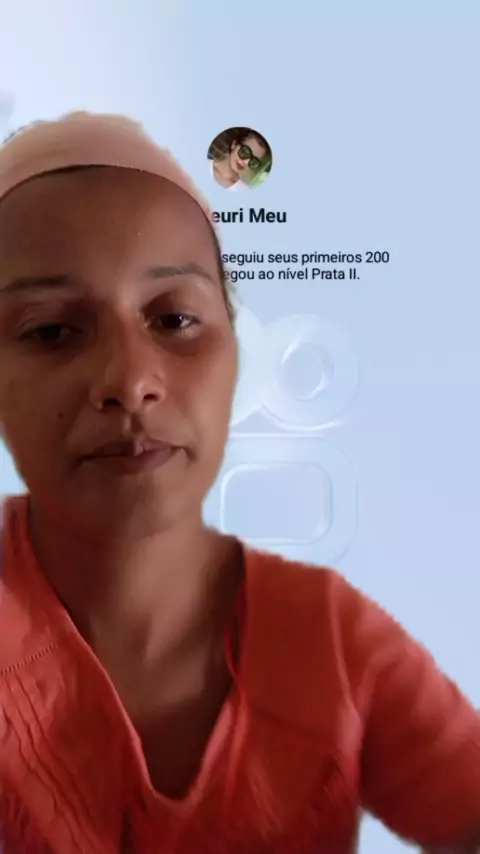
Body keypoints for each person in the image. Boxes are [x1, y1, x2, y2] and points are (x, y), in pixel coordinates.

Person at [0, 111, 478, 854]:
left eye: (175, 319)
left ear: (234, 351)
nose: (129, 380)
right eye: (51, 330)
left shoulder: (332, 642)